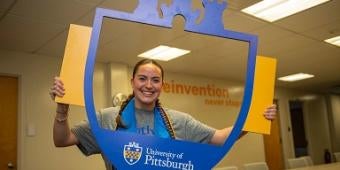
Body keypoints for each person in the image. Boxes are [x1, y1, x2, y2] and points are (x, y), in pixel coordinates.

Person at [50, 59, 277, 169]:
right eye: (142, 78)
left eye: (155, 80)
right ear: (132, 82)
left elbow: (219, 138)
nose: (148, 85)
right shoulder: (108, 118)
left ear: (162, 85)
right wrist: (62, 109)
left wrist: (253, 120)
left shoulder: (180, 120)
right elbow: (62, 140)